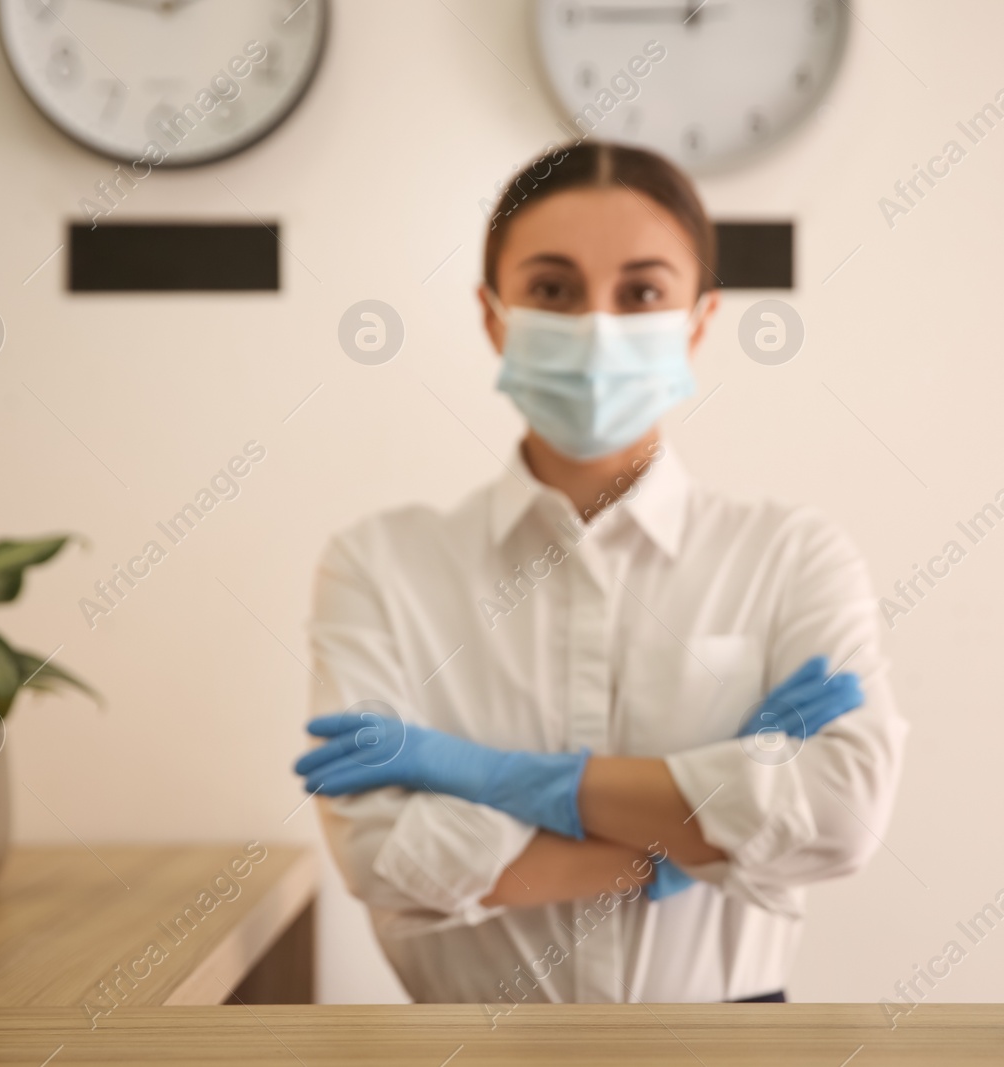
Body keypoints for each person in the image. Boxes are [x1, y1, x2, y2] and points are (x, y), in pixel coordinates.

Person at [294, 141, 908, 1006]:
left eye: (642, 291)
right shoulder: (380, 563)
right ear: (492, 314)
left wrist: (493, 779)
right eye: (552, 288)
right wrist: (699, 830)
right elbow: (382, 851)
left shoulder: (792, 556)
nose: (597, 326)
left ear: (698, 318)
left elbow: (839, 815)